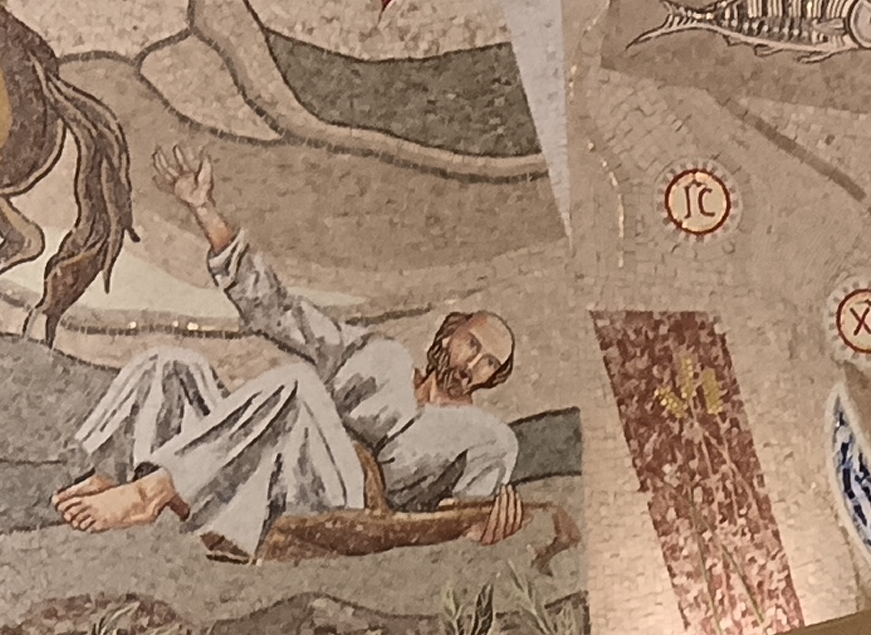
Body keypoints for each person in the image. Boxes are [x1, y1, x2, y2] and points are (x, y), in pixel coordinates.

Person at [55, 155, 526, 547]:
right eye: (472, 344)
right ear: (448, 334)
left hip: (346, 497)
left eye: (489, 364)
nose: (472, 363)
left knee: (298, 387)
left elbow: (462, 514)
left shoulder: (488, 437)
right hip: (284, 463)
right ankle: (111, 474)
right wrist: (204, 210)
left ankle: (153, 491)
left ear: (491, 379)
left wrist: (485, 526)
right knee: (173, 365)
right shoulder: (380, 356)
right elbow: (280, 312)